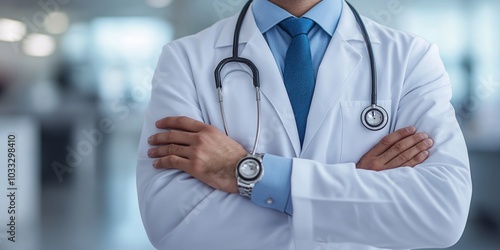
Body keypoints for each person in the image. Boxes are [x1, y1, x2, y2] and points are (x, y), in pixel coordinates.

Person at [136, 0, 472, 249]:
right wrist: (354, 194)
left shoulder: (411, 58)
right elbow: (174, 224)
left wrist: (244, 172)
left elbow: (442, 212)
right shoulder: (184, 60)